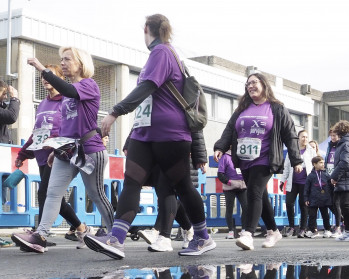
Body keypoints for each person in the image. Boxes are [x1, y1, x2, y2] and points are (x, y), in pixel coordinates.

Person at [76, 15, 210, 259]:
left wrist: (115, 112)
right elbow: (147, 98)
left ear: (147, 29)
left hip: (170, 133)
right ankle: (116, 239)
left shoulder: (163, 52)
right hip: (144, 132)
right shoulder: (158, 55)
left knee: (182, 186)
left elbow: (146, 88)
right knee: (131, 181)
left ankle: (202, 236)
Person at [12, 47, 114, 254]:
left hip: (90, 150)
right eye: (62, 59)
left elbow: (68, 91)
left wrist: (42, 68)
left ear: (81, 64)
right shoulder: (67, 94)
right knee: (52, 193)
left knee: (96, 194)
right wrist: (55, 149)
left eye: (67, 59)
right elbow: (66, 126)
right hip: (67, 150)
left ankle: (113, 234)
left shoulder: (88, 85)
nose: (63, 63)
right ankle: (40, 236)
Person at [214, 71, 302, 250]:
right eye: (248, 84)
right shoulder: (242, 108)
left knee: (253, 191)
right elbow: (230, 129)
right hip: (245, 160)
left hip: (265, 159)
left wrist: (296, 160)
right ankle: (273, 231)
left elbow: (290, 135)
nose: (251, 86)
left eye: (254, 82)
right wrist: (220, 147)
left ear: (264, 85)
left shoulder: (276, 108)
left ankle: (247, 233)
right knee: (261, 196)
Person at [15, 65, 84, 244]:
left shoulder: (67, 100)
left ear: (59, 78)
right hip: (41, 155)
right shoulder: (43, 103)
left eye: (50, 76)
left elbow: (71, 125)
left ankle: (40, 235)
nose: (45, 78)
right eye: (42, 76)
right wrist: (23, 153)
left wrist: (57, 143)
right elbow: (37, 131)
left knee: (45, 193)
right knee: (55, 197)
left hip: (59, 154)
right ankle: (81, 228)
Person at [282, 130, 315, 238]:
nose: (305, 139)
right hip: (293, 182)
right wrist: (283, 180)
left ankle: (302, 228)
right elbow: (286, 166)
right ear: (298, 138)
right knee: (289, 203)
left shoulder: (311, 151)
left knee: (303, 205)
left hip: (305, 183)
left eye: (306, 137)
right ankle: (292, 227)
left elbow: (315, 167)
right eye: (302, 137)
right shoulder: (292, 150)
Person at [216, 150, 248, 239]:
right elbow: (220, 173)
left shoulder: (243, 155)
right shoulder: (225, 157)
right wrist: (228, 182)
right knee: (229, 208)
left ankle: (244, 230)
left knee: (246, 207)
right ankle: (230, 231)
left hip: (242, 186)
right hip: (229, 187)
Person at [303, 155, 332, 238]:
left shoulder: (326, 175)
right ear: (314, 164)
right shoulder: (310, 176)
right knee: (312, 215)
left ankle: (327, 229)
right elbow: (306, 189)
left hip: (324, 199)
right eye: (320, 163)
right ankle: (313, 230)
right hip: (313, 199)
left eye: (323, 162)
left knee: (325, 215)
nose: (323, 164)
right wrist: (306, 198)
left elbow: (330, 186)